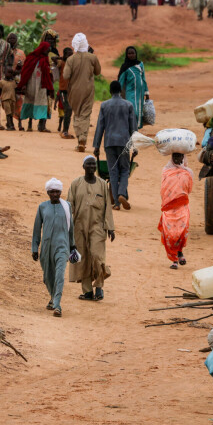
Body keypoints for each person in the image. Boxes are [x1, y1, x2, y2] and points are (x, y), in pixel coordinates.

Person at [68, 156, 116, 301]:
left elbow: (108, 207)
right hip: (79, 226)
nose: (91, 167)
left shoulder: (102, 184)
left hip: (97, 226)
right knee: (83, 259)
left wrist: (110, 228)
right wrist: (67, 226)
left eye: (93, 165)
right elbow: (69, 205)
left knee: (97, 256)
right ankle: (87, 291)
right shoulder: (76, 184)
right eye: (88, 164)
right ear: (83, 166)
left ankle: (99, 286)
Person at [32, 178, 78, 318]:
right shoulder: (42, 207)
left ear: (60, 192)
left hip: (62, 246)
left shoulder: (66, 206)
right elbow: (36, 229)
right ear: (48, 192)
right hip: (46, 247)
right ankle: (53, 298)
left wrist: (73, 245)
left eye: (57, 192)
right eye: (52, 192)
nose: (55, 194)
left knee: (59, 275)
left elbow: (71, 228)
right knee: (47, 276)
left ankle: (57, 305)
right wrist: (35, 247)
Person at [93, 80, 137, 210]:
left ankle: (116, 204)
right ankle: (122, 194)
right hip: (124, 142)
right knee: (125, 169)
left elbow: (100, 126)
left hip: (109, 142)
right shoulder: (128, 105)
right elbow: (133, 127)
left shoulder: (104, 105)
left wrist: (96, 145)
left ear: (111, 91)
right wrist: (135, 146)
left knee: (113, 171)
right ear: (121, 91)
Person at [63, 33, 101, 152]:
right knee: (85, 114)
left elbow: (66, 76)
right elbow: (98, 72)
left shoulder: (70, 59)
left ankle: (80, 138)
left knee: (77, 114)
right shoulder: (92, 57)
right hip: (88, 90)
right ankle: (82, 138)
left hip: (74, 91)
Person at [158, 152, 192, 269]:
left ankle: (180, 252)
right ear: (172, 158)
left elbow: (189, 189)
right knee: (170, 234)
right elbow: (163, 188)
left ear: (183, 157)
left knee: (181, 233)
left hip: (182, 206)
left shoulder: (188, 172)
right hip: (169, 207)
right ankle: (174, 260)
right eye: (175, 156)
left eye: (180, 156)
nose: (178, 159)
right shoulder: (166, 171)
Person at [17, 41, 54, 133]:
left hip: (42, 85)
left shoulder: (45, 59)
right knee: (30, 102)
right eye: (47, 50)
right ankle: (29, 124)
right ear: (43, 49)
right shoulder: (31, 58)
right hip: (31, 84)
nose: (48, 52)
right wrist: (24, 84)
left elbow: (48, 74)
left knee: (42, 103)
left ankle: (42, 126)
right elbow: (25, 72)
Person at [118, 46, 149, 129]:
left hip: (140, 92)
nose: (131, 55)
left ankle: (136, 129)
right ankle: (131, 128)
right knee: (132, 110)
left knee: (139, 111)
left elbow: (143, 78)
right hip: (130, 92)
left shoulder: (140, 64)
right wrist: (117, 93)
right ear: (126, 55)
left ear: (136, 54)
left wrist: (147, 93)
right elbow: (120, 80)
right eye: (129, 53)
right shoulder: (125, 67)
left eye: (133, 53)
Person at [56, 46, 74, 138]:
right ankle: (65, 131)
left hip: (71, 91)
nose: (70, 57)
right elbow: (53, 59)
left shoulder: (73, 64)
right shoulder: (62, 63)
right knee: (68, 109)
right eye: (68, 55)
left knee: (69, 110)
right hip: (63, 91)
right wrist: (61, 58)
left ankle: (65, 130)